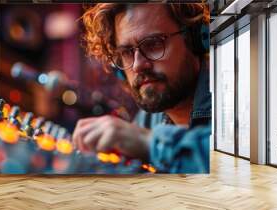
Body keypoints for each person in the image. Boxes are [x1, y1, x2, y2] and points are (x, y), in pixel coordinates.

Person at [73, 3, 211, 173]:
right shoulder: (148, 118)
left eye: (153, 44)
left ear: (198, 39)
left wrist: (147, 142)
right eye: (127, 52)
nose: (138, 65)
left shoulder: (234, 100)